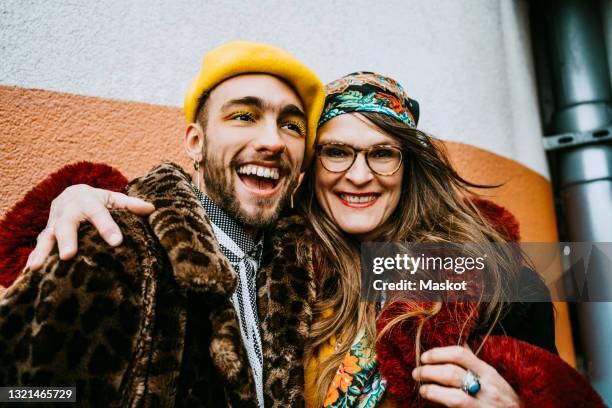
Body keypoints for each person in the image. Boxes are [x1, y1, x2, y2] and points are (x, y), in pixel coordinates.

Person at [1, 70, 604, 407]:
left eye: (383, 155)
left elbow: (583, 281)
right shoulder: (281, 261)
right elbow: (32, 386)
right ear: (310, 167)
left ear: (410, 168)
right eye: (337, 152)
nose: (359, 174)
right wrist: (79, 194)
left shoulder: (478, 273)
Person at [0, 41, 326, 407]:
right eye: (244, 116)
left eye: (292, 125)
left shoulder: (304, 269)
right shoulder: (113, 246)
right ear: (195, 143)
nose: (273, 141)